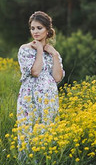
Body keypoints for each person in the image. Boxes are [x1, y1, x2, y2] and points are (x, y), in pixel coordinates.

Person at [16, 11, 64, 154]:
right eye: (32, 28)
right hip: (29, 98)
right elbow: (35, 72)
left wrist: (54, 54)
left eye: (39, 28)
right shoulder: (24, 50)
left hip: (49, 98)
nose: (35, 32)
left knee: (48, 133)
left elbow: (57, 78)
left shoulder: (53, 53)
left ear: (48, 30)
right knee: (28, 133)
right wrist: (39, 51)